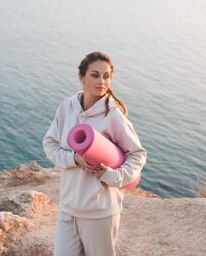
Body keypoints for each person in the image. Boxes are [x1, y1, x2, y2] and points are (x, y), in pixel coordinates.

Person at [43, 51, 147, 256]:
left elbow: (138, 155)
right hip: (68, 208)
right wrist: (74, 159)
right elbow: (50, 143)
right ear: (81, 77)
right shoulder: (66, 108)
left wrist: (111, 175)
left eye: (106, 76)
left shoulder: (113, 116)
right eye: (95, 75)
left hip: (100, 213)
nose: (101, 81)